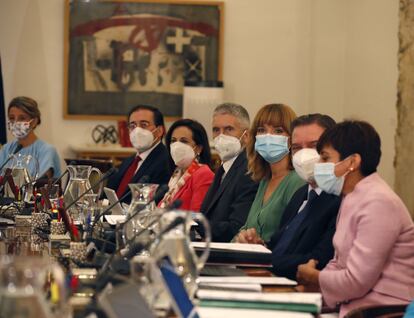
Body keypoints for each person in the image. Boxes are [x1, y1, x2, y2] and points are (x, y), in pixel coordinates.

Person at [296, 120, 414, 318]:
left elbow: (356, 281)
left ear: (352, 162)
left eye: (325, 158)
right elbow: (339, 262)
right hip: (353, 305)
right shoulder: (352, 195)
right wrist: (315, 285)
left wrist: (315, 277)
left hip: (382, 310)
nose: (318, 166)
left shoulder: (379, 202)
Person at [267, 113, 341, 280]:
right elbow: (279, 243)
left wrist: (267, 261)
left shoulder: (340, 198)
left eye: (314, 146)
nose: (304, 156)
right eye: (297, 148)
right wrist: (256, 247)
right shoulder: (301, 194)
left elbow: (320, 260)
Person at [234, 103, 305, 243]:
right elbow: (247, 227)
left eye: (278, 131)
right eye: (261, 130)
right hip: (250, 259)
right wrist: (240, 239)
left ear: (292, 138)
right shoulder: (265, 180)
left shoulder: (297, 180)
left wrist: (260, 244)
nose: (268, 136)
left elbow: (292, 236)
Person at [200, 103, 259, 242]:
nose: (221, 136)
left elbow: (236, 226)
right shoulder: (223, 168)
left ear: (246, 135)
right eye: (216, 130)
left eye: (228, 129)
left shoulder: (248, 171)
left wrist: (196, 226)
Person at [106, 105, 172, 203]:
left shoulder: (167, 161)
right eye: (132, 126)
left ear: (159, 131)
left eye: (144, 125)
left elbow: (156, 201)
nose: (137, 131)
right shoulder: (128, 162)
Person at [158, 119, 214, 211]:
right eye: (173, 141)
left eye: (184, 141)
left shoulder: (203, 174)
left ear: (199, 148)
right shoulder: (177, 174)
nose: (176, 146)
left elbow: (196, 216)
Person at [0, 96, 61, 178]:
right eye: (12, 118)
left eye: (22, 118)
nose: (16, 122)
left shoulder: (46, 150)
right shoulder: (6, 149)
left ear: (34, 121)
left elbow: (40, 184)